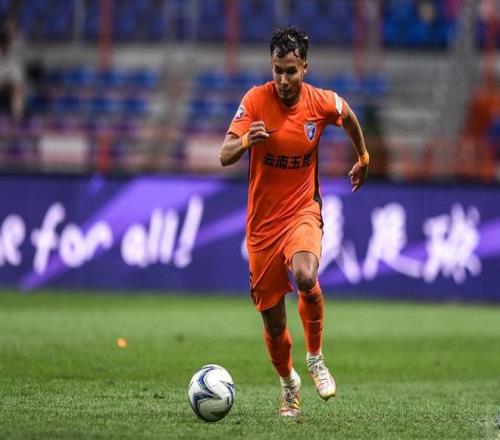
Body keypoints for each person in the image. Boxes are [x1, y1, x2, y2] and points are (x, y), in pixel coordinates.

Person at [219, 26, 369, 418]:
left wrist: (363, 157)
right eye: (277, 71)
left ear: (304, 67)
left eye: (290, 71)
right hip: (262, 228)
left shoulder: (320, 102)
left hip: (303, 211)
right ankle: (289, 385)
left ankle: (315, 358)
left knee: (305, 274)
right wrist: (247, 141)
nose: (283, 80)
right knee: (273, 323)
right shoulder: (255, 100)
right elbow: (224, 154)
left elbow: (347, 115)